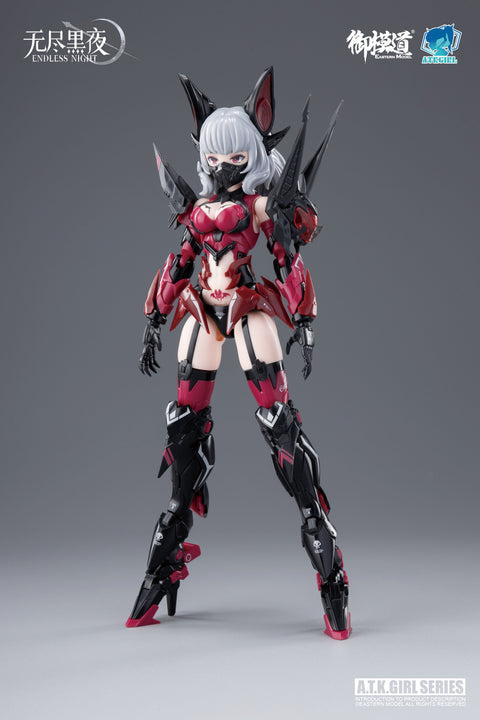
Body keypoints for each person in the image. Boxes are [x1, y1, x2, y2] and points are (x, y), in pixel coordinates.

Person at [126, 68, 351, 639]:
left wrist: (304, 317)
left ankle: (328, 566)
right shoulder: (199, 211)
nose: (224, 165)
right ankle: (169, 552)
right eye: (215, 155)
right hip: (204, 309)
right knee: (183, 425)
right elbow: (181, 262)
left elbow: (287, 259)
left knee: (280, 425)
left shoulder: (260, 209)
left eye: (235, 155)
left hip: (248, 308)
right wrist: (153, 317)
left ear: (251, 153)